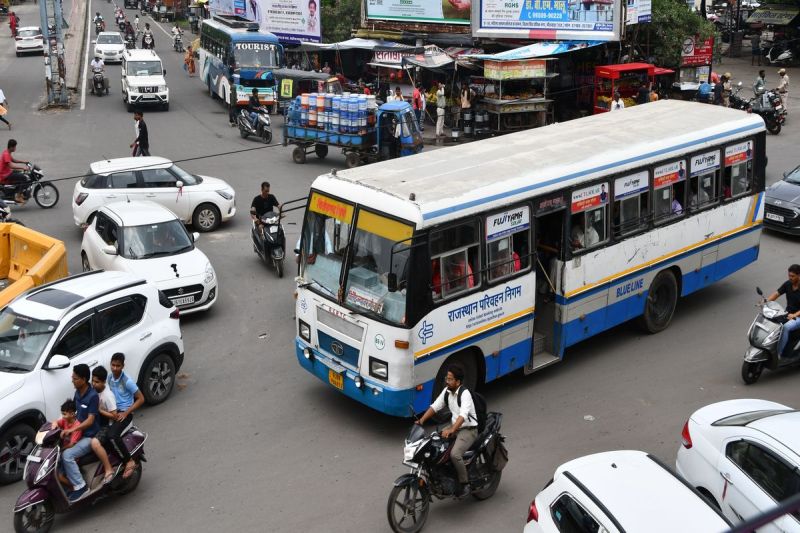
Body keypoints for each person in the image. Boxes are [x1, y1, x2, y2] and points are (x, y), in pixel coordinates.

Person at [415, 364, 478, 498]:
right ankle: (441, 475)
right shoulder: (447, 392)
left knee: (455, 454)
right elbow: (435, 406)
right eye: (447, 378)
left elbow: (463, 415)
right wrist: (422, 420)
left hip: (468, 429)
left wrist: (452, 430)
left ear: (458, 382)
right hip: (455, 427)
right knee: (433, 443)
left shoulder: (464, 394)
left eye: (450, 379)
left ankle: (464, 483)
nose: (447, 381)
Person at [61, 364, 100, 502]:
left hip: (90, 436)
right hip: (78, 433)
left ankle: (81, 486)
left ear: (83, 379)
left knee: (67, 455)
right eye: (72, 377)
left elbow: (90, 421)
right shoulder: (77, 392)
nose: (72, 380)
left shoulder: (93, 396)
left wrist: (72, 430)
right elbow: (73, 413)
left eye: (75, 378)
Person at [106, 354, 144, 480]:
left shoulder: (127, 381)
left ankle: (129, 461)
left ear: (123, 366)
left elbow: (140, 398)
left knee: (112, 436)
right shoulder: (110, 378)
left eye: (118, 366)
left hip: (124, 415)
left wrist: (126, 412)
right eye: (113, 365)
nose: (115, 368)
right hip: (113, 413)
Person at [89, 366, 118, 484]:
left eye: (97, 382)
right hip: (97, 421)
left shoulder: (107, 396)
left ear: (104, 382)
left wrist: (100, 411)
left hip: (107, 425)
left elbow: (115, 416)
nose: (94, 384)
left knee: (94, 443)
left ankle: (108, 468)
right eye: (93, 381)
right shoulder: (94, 391)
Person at [766, 265, 800, 357]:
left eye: (792, 276)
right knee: (772, 323)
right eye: (789, 275)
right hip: (787, 314)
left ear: (799, 276)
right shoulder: (788, 284)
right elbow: (777, 293)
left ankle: (778, 354)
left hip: (798, 317)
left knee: (785, 327)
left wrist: (795, 315)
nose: (790, 278)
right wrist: (766, 302)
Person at [1, 139, 30, 204]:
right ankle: (18, 196)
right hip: (5, 175)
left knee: (21, 174)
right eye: (14, 147)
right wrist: (22, 167)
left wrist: (23, 162)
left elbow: (13, 160)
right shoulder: (6, 154)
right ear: (11, 147)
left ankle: (19, 191)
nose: (15, 148)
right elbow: (11, 165)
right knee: (24, 178)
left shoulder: (7, 152)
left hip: (7, 172)